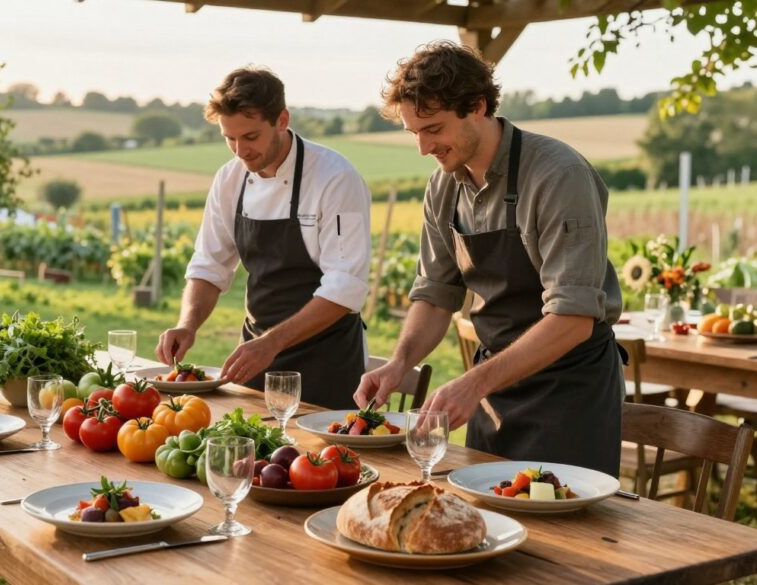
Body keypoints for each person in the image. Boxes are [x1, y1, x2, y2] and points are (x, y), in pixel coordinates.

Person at [354, 41, 624, 476]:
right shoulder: (443, 187)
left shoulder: (558, 175)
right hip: (493, 392)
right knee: (483, 512)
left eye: (433, 129)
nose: (423, 147)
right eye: (414, 132)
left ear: (477, 106)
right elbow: (436, 295)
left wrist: (474, 382)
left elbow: (573, 318)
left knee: (558, 519)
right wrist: (399, 363)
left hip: (569, 393)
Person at [156, 66, 371, 410]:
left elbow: (345, 287)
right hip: (256, 358)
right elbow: (210, 265)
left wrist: (272, 343)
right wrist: (187, 325)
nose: (240, 150)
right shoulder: (229, 179)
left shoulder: (335, 178)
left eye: (251, 136)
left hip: (326, 365)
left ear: (282, 120)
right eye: (229, 138)